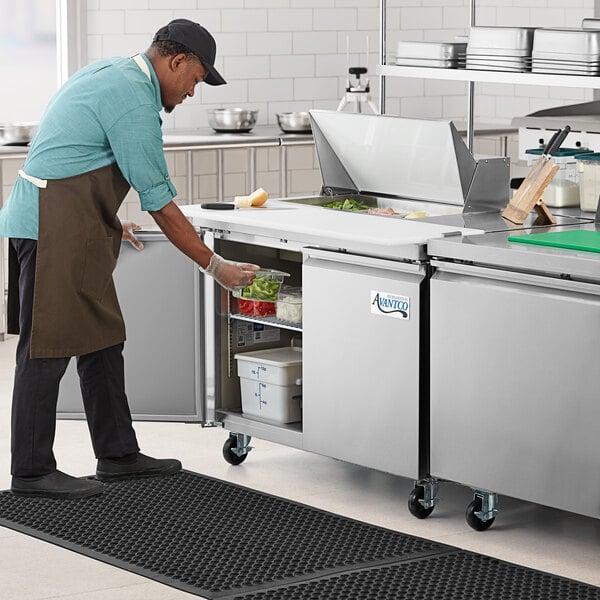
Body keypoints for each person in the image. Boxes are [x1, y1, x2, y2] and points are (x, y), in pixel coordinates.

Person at [0, 19, 259, 499]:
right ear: (176, 61)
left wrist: (102, 216)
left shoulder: (113, 73)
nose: (192, 92)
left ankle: (117, 455)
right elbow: (158, 200)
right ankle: (31, 471)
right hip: (51, 228)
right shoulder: (134, 101)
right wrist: (214, 266)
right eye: (196, 80)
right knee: (46, 350)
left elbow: (66, 149)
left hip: (64, 222)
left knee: (101, 341)